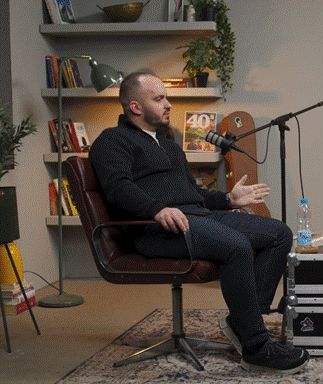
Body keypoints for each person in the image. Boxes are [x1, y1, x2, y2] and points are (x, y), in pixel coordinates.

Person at [89, 72, 309, 375]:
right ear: (135, 107)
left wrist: (229, 199)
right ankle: (257, 349)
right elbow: (118, 188)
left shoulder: (168, 144)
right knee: (236, 246)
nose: (168, 104)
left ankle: (246, 323)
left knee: (279, 234)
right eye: (159, 99)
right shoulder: (112, 140)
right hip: (155, 228)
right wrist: (157, 209)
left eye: (166, 97)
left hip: (196, 217)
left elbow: (194, 194)